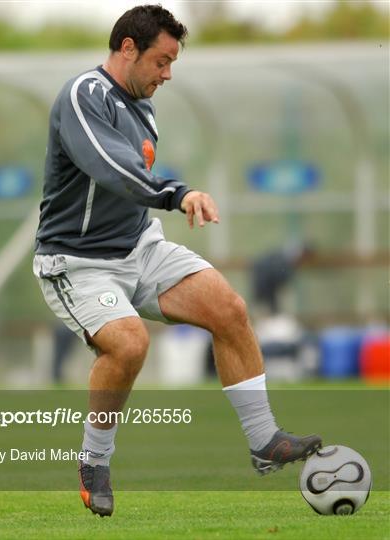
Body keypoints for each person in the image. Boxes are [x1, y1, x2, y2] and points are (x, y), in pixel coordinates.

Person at [33, 5, 322, 518]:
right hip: (76, 262)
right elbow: (111, 168)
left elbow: (132, 176)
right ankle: (94, 462)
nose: (167, 74)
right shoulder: (85, 95)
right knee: (128, 344)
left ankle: (263, 441)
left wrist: (170, 195)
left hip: (139, 246)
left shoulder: (142, 106)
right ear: (128, 48)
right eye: (161, 61)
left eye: (172, 64)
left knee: (228, 308)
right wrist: (177, 192)